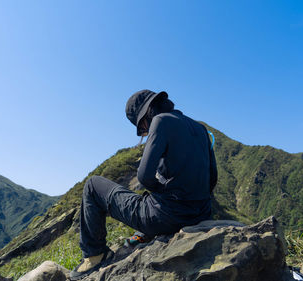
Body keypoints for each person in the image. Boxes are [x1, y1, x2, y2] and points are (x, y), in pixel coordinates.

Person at [70, 89, 217, 280]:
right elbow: (212, 179)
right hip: (201, 214)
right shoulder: (201, 129)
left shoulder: (161, 121)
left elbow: (144, 177)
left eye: (142, 127)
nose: (145, 132)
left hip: (166, 217)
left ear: (147, 113)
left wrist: (166, 194)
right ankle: (145, 232)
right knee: (153, 201)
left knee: (92, 185)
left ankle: (95, 255)